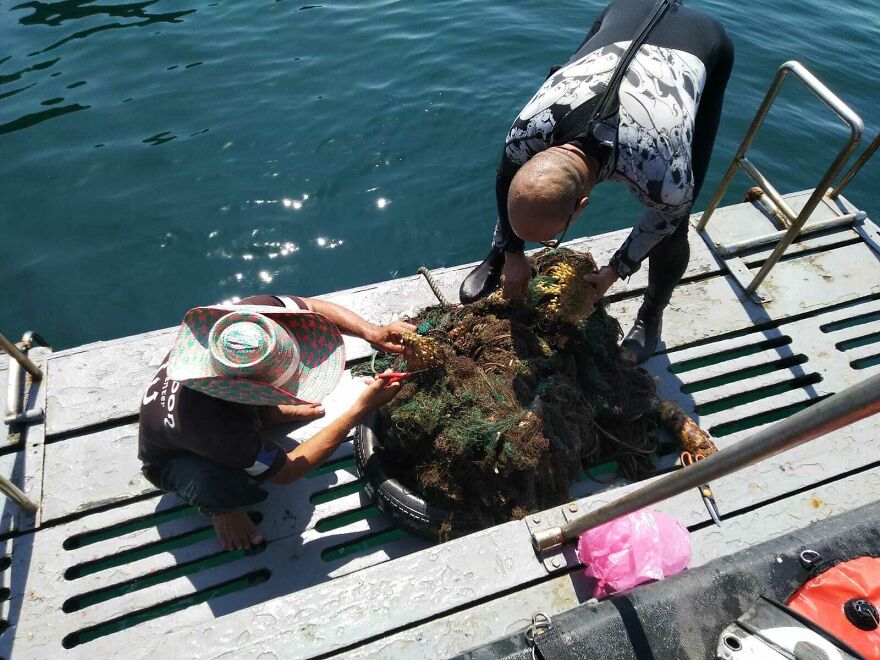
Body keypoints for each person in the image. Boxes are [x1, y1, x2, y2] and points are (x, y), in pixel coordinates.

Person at [459, 0, 733, 363]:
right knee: (520, 213)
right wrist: (512, 250)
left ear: (582, 206)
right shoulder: (525, 133)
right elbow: (507, 180)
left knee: (677, 225)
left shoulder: (664, 174)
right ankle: (497, 258)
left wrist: (616, 270)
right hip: (625, 11)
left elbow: (661, 222)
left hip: (702, 43)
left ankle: (651, 315)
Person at [138, 294, 415, 550]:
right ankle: (222, 509)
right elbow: (288, 472)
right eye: (281, 386)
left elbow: (314, 307)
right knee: (215, 483)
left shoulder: (245, 327)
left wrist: (372, 332)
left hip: (203, 414)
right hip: (173, 459)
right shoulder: (220, 431)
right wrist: (360, 409)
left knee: (241, 423)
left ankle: (267, 415)